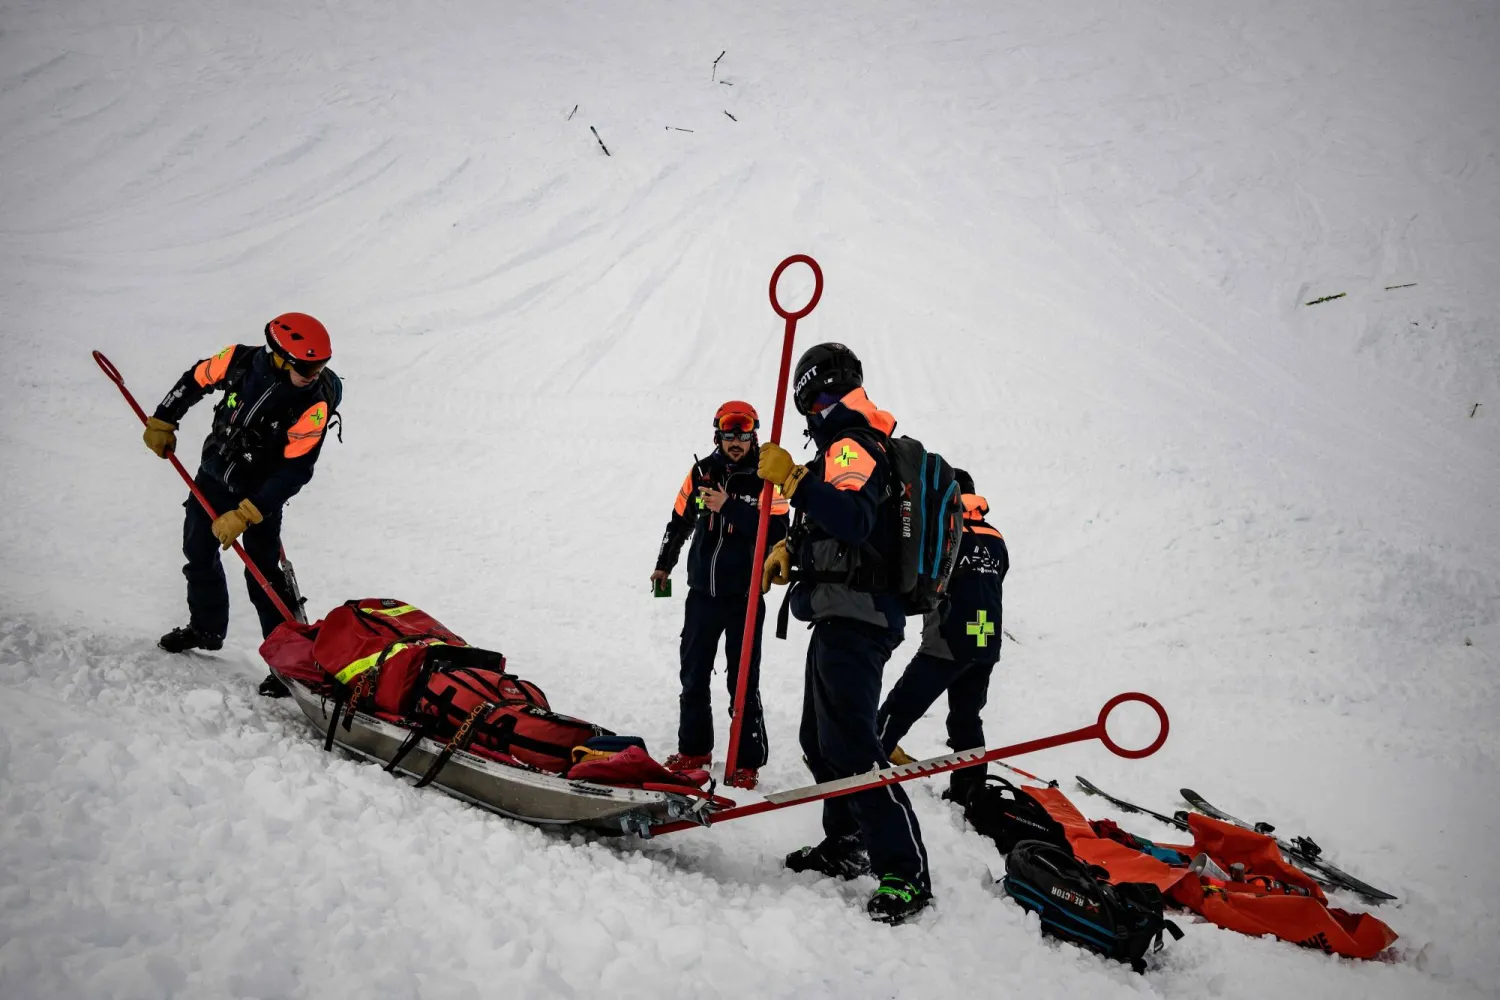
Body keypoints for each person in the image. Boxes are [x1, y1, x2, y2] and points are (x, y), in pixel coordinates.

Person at [756, 342, 932, 925]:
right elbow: (850, 527)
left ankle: (906, 873)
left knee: (854, 746)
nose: (815, 410)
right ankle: (849, 841)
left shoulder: (851, 442)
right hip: (840, 609)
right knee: (819, 739)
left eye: (817, 399)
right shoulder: (842, 448)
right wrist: (793, 548)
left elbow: (854, 520)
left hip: (860, 616)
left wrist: (796, 482)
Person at [143, 313, 342, 696]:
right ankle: (206, 628)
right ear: (279, 356)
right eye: (306, 365)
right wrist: (164, 419)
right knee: (197, 551)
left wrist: (248, 512)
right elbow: (195, 380)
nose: (314, 373)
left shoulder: (311, 406)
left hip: (259, 496)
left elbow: (295, 471)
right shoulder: (237, 360)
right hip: (213, 476)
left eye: (321, 365)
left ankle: (286, 664)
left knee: (263, 575)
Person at [651, 401, 789, 787]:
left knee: (742, 681)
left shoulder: (767, 478)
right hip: (701, 595)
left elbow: (778, 532)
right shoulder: (701, 473)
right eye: (729, 432)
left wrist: (729, 507)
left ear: (753, 436)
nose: (736, 440)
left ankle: (747, 761)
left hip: (744, 597)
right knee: (693, 674)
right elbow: (679, 521)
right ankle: (694, 749)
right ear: (718, 434)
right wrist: (665, 564)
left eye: (744, 432)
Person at [877, 469, 1008, 805]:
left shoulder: (947, 530)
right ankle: (970, 789)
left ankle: (861, 766)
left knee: (902, 705)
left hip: (948, 639)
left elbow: (921, 575)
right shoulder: (996, 536)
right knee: (966, 718)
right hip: (986, 642)